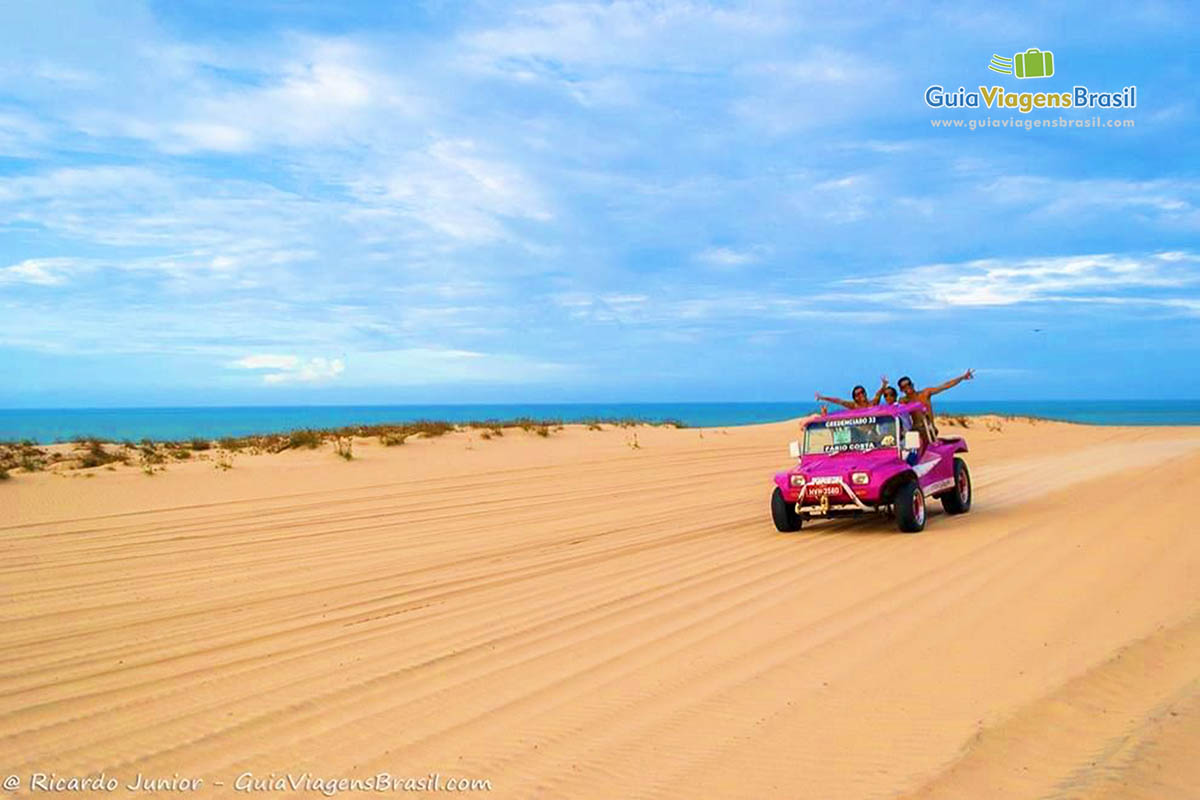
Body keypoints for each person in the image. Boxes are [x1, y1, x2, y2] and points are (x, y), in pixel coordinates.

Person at [896, 369, 974, 433]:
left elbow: (945, 386)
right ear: (901, 389)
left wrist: (962, 377)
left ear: (912, 384)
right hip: (916, 431)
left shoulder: (925, 393)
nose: (907, 387)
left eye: (908, 384)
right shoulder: (903, 401)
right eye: (903, 387)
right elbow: (895, 413)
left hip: (930, 429)